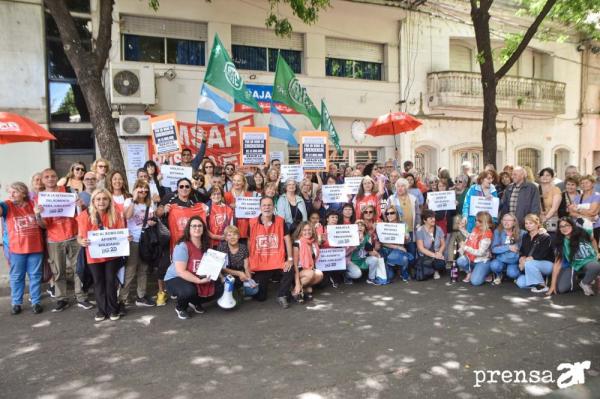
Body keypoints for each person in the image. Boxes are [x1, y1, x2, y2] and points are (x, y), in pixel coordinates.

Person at [37, 168, 92, 312]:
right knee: (58, 271)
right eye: (47, 177)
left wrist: (82, 205)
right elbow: (43, 225)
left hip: (73, 236)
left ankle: (81, 297)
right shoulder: (40, 198)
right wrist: (38, 215)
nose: (50, 179)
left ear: (57, 177)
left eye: (53, 176)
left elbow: (83, 213)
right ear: (43, 180)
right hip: (54, 239)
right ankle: (61, 299)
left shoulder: (69, 191)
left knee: (78, 268)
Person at [77, 189, 127, 322]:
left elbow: (121, 233)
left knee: (111, 281)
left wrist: (126, 238)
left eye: (104, 199)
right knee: (98, 282)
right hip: (93, 255)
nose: (101, 202)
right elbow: (80, 236)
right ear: (93, 201)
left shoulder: (115, 214)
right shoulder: (84, 215)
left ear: (109, 201)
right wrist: (81, 241)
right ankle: (101, 310)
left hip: (112, 255)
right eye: (98, 199)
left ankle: (113, 309)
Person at [158, 177, 208, 306]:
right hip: (176, 244)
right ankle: (169, 291)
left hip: (194, 244)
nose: (184, 189)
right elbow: (157, 214)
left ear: (191, 189)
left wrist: (204, 207)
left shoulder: (195, 204)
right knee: (172, 267)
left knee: (191, 267)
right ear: (177, 188)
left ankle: (188, 292)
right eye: (181, 186)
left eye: (187, 186)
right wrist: (164, 210)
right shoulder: (171, 203)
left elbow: (206, 206)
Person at [1, 182, 44, 315]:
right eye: (10, 192)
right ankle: (16, 303)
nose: (11, 195)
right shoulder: (7, 205)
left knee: (35, 276)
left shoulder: (33, 204)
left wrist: (38, 214)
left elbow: (43, 225)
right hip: (16, 249)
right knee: (16, 277)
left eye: (15, 192)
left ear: (23, 193)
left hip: (35, 247)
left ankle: (36, 302)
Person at [163, 217, 218, 319]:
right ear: (189, 228)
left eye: (200, 226)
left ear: (203, 229)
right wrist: (199, 281)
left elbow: (211, 265)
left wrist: (221, 277)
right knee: (188, 291)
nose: (197, 228)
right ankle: (181, 308)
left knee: (219, 287)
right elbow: (180, 271)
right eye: (194, 226)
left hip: (195, 275)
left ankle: (194, 301)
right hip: (175, 277)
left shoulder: (207, 244)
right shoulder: (182, 246)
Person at [248, 196, 296, 308]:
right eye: (264, 205)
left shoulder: (280, 220)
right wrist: (251, 260)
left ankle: (282, 295)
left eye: (269, 205)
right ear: (260, 207)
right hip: (261, 262)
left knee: (289, 269)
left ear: (273, 207)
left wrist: (289, 259)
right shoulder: (252, 222)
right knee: (260, 297)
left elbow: (287, 239)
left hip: (277, 261)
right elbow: (250, 241)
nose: (266, 207)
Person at [119, 180, 156, 308]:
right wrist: (134, 200)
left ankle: (141, 296)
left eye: (146, 189)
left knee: (143, 270)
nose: (143, 191)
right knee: (130, 270)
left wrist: (152, 222)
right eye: (140, 188)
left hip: (145, 241)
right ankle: (122, 298)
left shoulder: (150, 204)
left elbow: (152, 219)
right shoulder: (129, 201)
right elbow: (127, 216)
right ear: (135, 189)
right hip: (133, 241)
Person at [547, 217, 600, 296]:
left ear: (572, 225)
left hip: (589, 261)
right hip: (573, 265)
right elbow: (557, 264)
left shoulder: (582, 233)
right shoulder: (560, 242)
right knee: (562, 289)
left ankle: (584, 283)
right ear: (559, 229)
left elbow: (592, 239)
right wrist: (552, 286)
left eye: (567, 225)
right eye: (561, 226)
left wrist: (596, 252)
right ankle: (581, 280)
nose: (564, 228)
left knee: (595, 266)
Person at [515, 214, 554, 292]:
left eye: (531, 223)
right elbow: (522, 251)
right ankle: (536, 280)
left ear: (537, 224)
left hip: (546, 264)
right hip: (530, 264)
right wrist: (521, 258)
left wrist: (525, 261)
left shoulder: (545, 236)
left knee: (529, 263)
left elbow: (542, 254)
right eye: (526, 223)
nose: (528, 225)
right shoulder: (525, 236)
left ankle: (542, 286)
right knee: (520, 283)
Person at [217, 225, 258, 301]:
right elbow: (221, 268)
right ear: (226, 238)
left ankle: (241, 289)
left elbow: (246, 266)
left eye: (235, 234)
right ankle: (237, 292)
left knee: (254, 289)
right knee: (232, 298)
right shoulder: (222, 247)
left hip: (241, 274)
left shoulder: (243, 247)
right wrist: (239, 273)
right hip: (227, 275)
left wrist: (249, 279)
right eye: (229, 235)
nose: (232, 237)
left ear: (239, 236)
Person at [456, 211, 494, 285]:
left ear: (485, 222)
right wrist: (462, 229)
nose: (476, 222)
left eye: (479, 221)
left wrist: (465, 247)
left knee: (475, 282)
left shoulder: (487, 235)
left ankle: (487, 273)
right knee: (460, 261)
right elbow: (470, 236)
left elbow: (480, 253)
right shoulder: (476, 228)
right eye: (476, 220)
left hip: (482, 260)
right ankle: (471, 272)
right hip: (472, 259)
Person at [387, 178, 420, 260]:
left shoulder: (413, 198)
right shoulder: (391, 199)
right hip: (397, 231)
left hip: (411, 230)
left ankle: (411, 269)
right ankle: (401, 270)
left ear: (407, 187)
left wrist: (418, 224)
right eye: (398, 186)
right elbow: (387, 213)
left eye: (402, 186)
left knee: (412, 251)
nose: (400, 188)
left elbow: (417, 213)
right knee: (399, 252)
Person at [489, 213, 525, 285]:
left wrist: (541, 230)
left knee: (512, 273)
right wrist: (508, 247)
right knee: (494, 265)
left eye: (509, 220)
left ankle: (515, 276)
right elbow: (493, 249)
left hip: (514, 261)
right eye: (504, 220)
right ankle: (499, 275)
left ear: (514, 222)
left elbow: (533, 234)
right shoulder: (498, 232)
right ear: (501, 221)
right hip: (501, 259)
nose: (506, 222)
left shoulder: (522, 233)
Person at [292, 222, 323, 301]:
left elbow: (320, 239)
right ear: (300, 231)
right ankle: (296, 288)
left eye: (309, 229)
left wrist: (319, 228)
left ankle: (300, 290)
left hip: (309, 269)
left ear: (312, 231)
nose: (307, 232)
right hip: (297, 270)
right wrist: (298, 282)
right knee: (310, 273)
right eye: (304, 230)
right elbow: (294, 264)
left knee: (320, 275)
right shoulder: (297, 243)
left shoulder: (313, 243)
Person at [381, 205, 413, 281]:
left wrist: (407, 237)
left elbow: (406, 241)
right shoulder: (384, 225)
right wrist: (398, 247)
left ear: (397, 214)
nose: (389, 215)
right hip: (387, 251)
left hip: (399, 251)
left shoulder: (403, 225)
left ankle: (403, 273)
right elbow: (382, 243)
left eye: (392, 213)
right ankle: (391, 266)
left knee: (405, 258)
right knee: (390, 277)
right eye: (387, 213)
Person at [415, 209, 446, 280]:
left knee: (440, 264)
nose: (433, 219)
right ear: (424, 220)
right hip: (425, 256)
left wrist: (440, 253)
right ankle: (430, 270)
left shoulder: (439, 229)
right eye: (430, 218)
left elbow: (443, 244)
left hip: (437, 253)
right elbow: (421, 248)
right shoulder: (420, 231)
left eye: (434, 217)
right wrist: (434, 255)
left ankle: (435, 270)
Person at [224, 172, 256, 241]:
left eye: (239, 181)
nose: (236, 183)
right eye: (234, 180)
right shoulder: (226, 195)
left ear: (243, 182)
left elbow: (253, 212)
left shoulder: (249, 195)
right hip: (231, 229)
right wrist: (229, 207)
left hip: (245, 229)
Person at [568, 174, 600, 242]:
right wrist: (585, 216)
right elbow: (571, 213)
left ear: (592, 183)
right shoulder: (577, 197)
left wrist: (577, 209)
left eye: (586, 182)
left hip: (594, 227)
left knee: (592, 249)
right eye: (582, 183)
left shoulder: (596, 196)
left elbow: (592, 212)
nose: (584, 185)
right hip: (579, 226)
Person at [349, 219, 381, 285]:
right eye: (358, 226)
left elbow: (370, 249)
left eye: (362, 226)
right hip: (353, 261)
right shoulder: (350, 237)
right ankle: (346, 275)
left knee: (374, 259)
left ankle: (371, 278)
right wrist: (359, 240)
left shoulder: (367, 237)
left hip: (363, 260)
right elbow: (349, 251)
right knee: (357, 275)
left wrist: (376, 253)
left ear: (364, 228)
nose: (360, 227)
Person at [537, 167, 561, 236]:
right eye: (542, 175)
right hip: (538, 221)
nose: (545, 177)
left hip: (551, 221)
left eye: (547, 175)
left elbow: (554, 208)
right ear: (539, 177)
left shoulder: (556, 190)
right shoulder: (536, 190)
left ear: (552, 177)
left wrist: (545, 218)